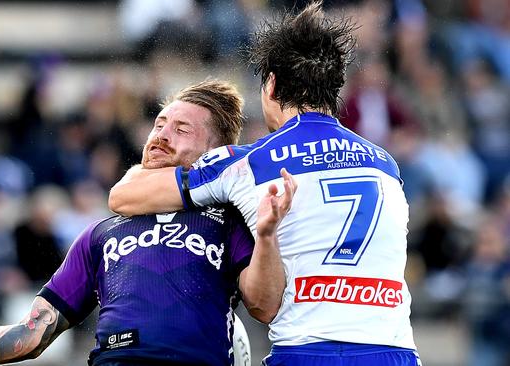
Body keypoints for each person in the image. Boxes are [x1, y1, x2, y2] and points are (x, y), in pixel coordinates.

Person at [0, 80, 294, 366]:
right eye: (159, 124)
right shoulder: (101, 234)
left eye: (182, 129)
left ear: (217, 151)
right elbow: (31, 333)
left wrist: (266, 236)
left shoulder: (227, 221)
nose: (161, 135)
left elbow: (265, 304)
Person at [109, 2, 422, 365]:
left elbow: (124, 197)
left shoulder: (249, 163)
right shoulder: (385, 164)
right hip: (395, 353)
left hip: (307, 352)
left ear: (271, 85)